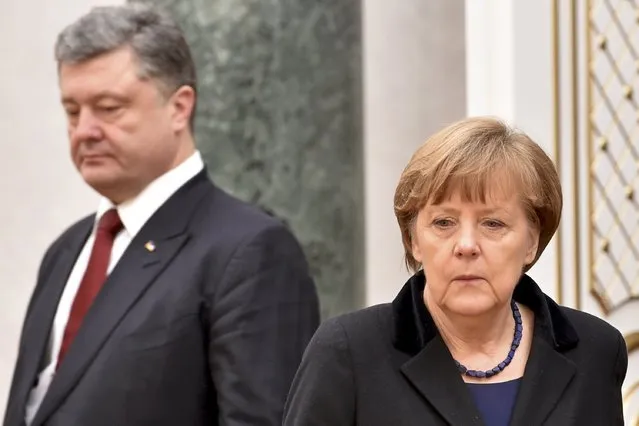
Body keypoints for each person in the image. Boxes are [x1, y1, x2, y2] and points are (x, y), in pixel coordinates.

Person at [3, 4, 319, 426]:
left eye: (109, 107)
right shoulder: (66, 251)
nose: (84, 131)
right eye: (72, 111)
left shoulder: (250, 251)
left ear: (179, 107)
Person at [283, 117, 628, 426]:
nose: (466, 245)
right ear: (414, 240)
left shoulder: (595, 352)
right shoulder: (349, 353)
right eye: (443, 222)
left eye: (493, 223)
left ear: (531, 241)